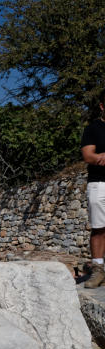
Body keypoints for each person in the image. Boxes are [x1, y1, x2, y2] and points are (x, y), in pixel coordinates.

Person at [82, 89, 105, 287]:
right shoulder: (93, 129)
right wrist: (100, 157)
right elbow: (89, 156)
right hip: (99, 183)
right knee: (99, 228)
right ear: (102, 106)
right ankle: (97, 270)